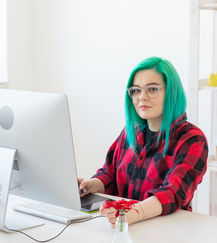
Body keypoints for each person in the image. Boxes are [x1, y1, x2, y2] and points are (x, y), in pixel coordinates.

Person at [79, 57, 208, 227]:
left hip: (167, 233)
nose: (142, 97)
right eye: (136, 90)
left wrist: (130, 215)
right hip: (124, 228)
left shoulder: (192, 139)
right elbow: (110, 173)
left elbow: (171, 193)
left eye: (152, 89)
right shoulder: (130, 132)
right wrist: (90, 185)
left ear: (171, 92)